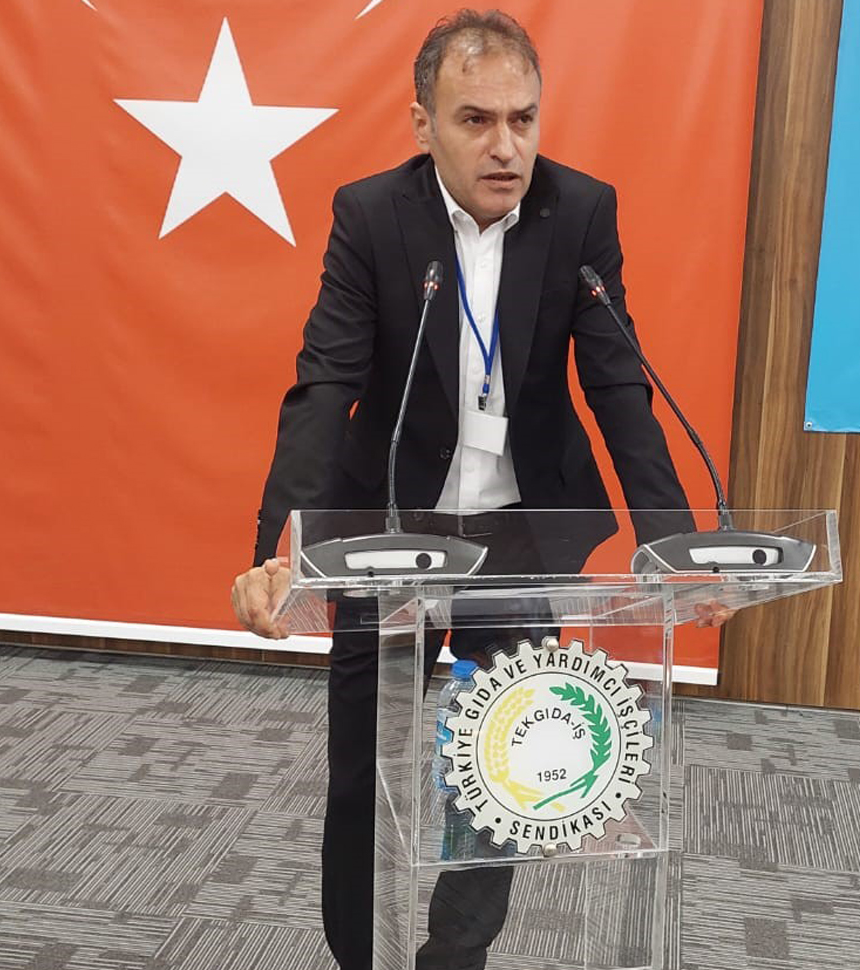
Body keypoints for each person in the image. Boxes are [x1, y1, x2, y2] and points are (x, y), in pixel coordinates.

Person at [229, 10, 722, 969]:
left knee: (515, 767)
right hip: (391, 531)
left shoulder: (581, 211)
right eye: (477, 120)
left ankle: (454, 958)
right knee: (364, 771)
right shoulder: (373, 216)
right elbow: (325, 386)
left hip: (520, 532)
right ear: (423, 125)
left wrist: (671, 542)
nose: (507, 147)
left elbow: (618, 385)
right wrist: (274, 550)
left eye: (523, 119)